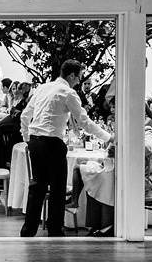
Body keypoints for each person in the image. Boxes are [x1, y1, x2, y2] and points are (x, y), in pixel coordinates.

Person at [20, 59, 113, 237]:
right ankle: (55, 232)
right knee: (57, 190)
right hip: (53, 144)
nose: (79, 80)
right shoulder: (68, 93)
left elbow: (25, 116)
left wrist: (27, 139)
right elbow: (84, 122)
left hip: (35, 143)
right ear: (72, 75)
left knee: (36, 188)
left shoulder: (42, 88)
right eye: (79, 77)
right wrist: (108, 137)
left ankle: (27, 232)